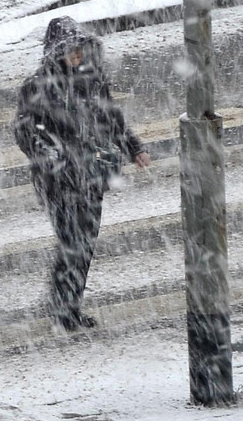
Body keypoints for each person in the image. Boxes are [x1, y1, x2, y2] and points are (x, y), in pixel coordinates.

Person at [12, 17, 152, 331]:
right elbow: (24, 131)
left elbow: (112, 116)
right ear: (56, 52)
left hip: (91, 175)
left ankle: (68, 304)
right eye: (72, 51)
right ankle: (63, 308)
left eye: (81, 50)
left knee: (85, 243)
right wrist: (51, 156)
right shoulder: (37, 86)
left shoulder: (92, 79)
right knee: (71, 243)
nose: (77, 56)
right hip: (58, 181)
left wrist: (133, 147)